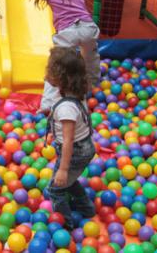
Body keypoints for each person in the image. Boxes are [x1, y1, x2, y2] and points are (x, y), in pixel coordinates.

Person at [26, 0, 133, 111]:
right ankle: (92, 86)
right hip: (87, 28)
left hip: (67, 32)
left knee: (56, 66)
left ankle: (48, 103)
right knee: (90, 55)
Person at [44, 46, 97, 230]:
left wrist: (63, 169)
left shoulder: (67, 108)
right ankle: (86, 208)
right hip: (83, 147)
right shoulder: (73, 93)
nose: (46, 73)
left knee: (55, 190)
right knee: (69, 182)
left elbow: (68, 141)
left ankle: (65, 226)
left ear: (61, 77)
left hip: (75, 151)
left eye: (49, 70)